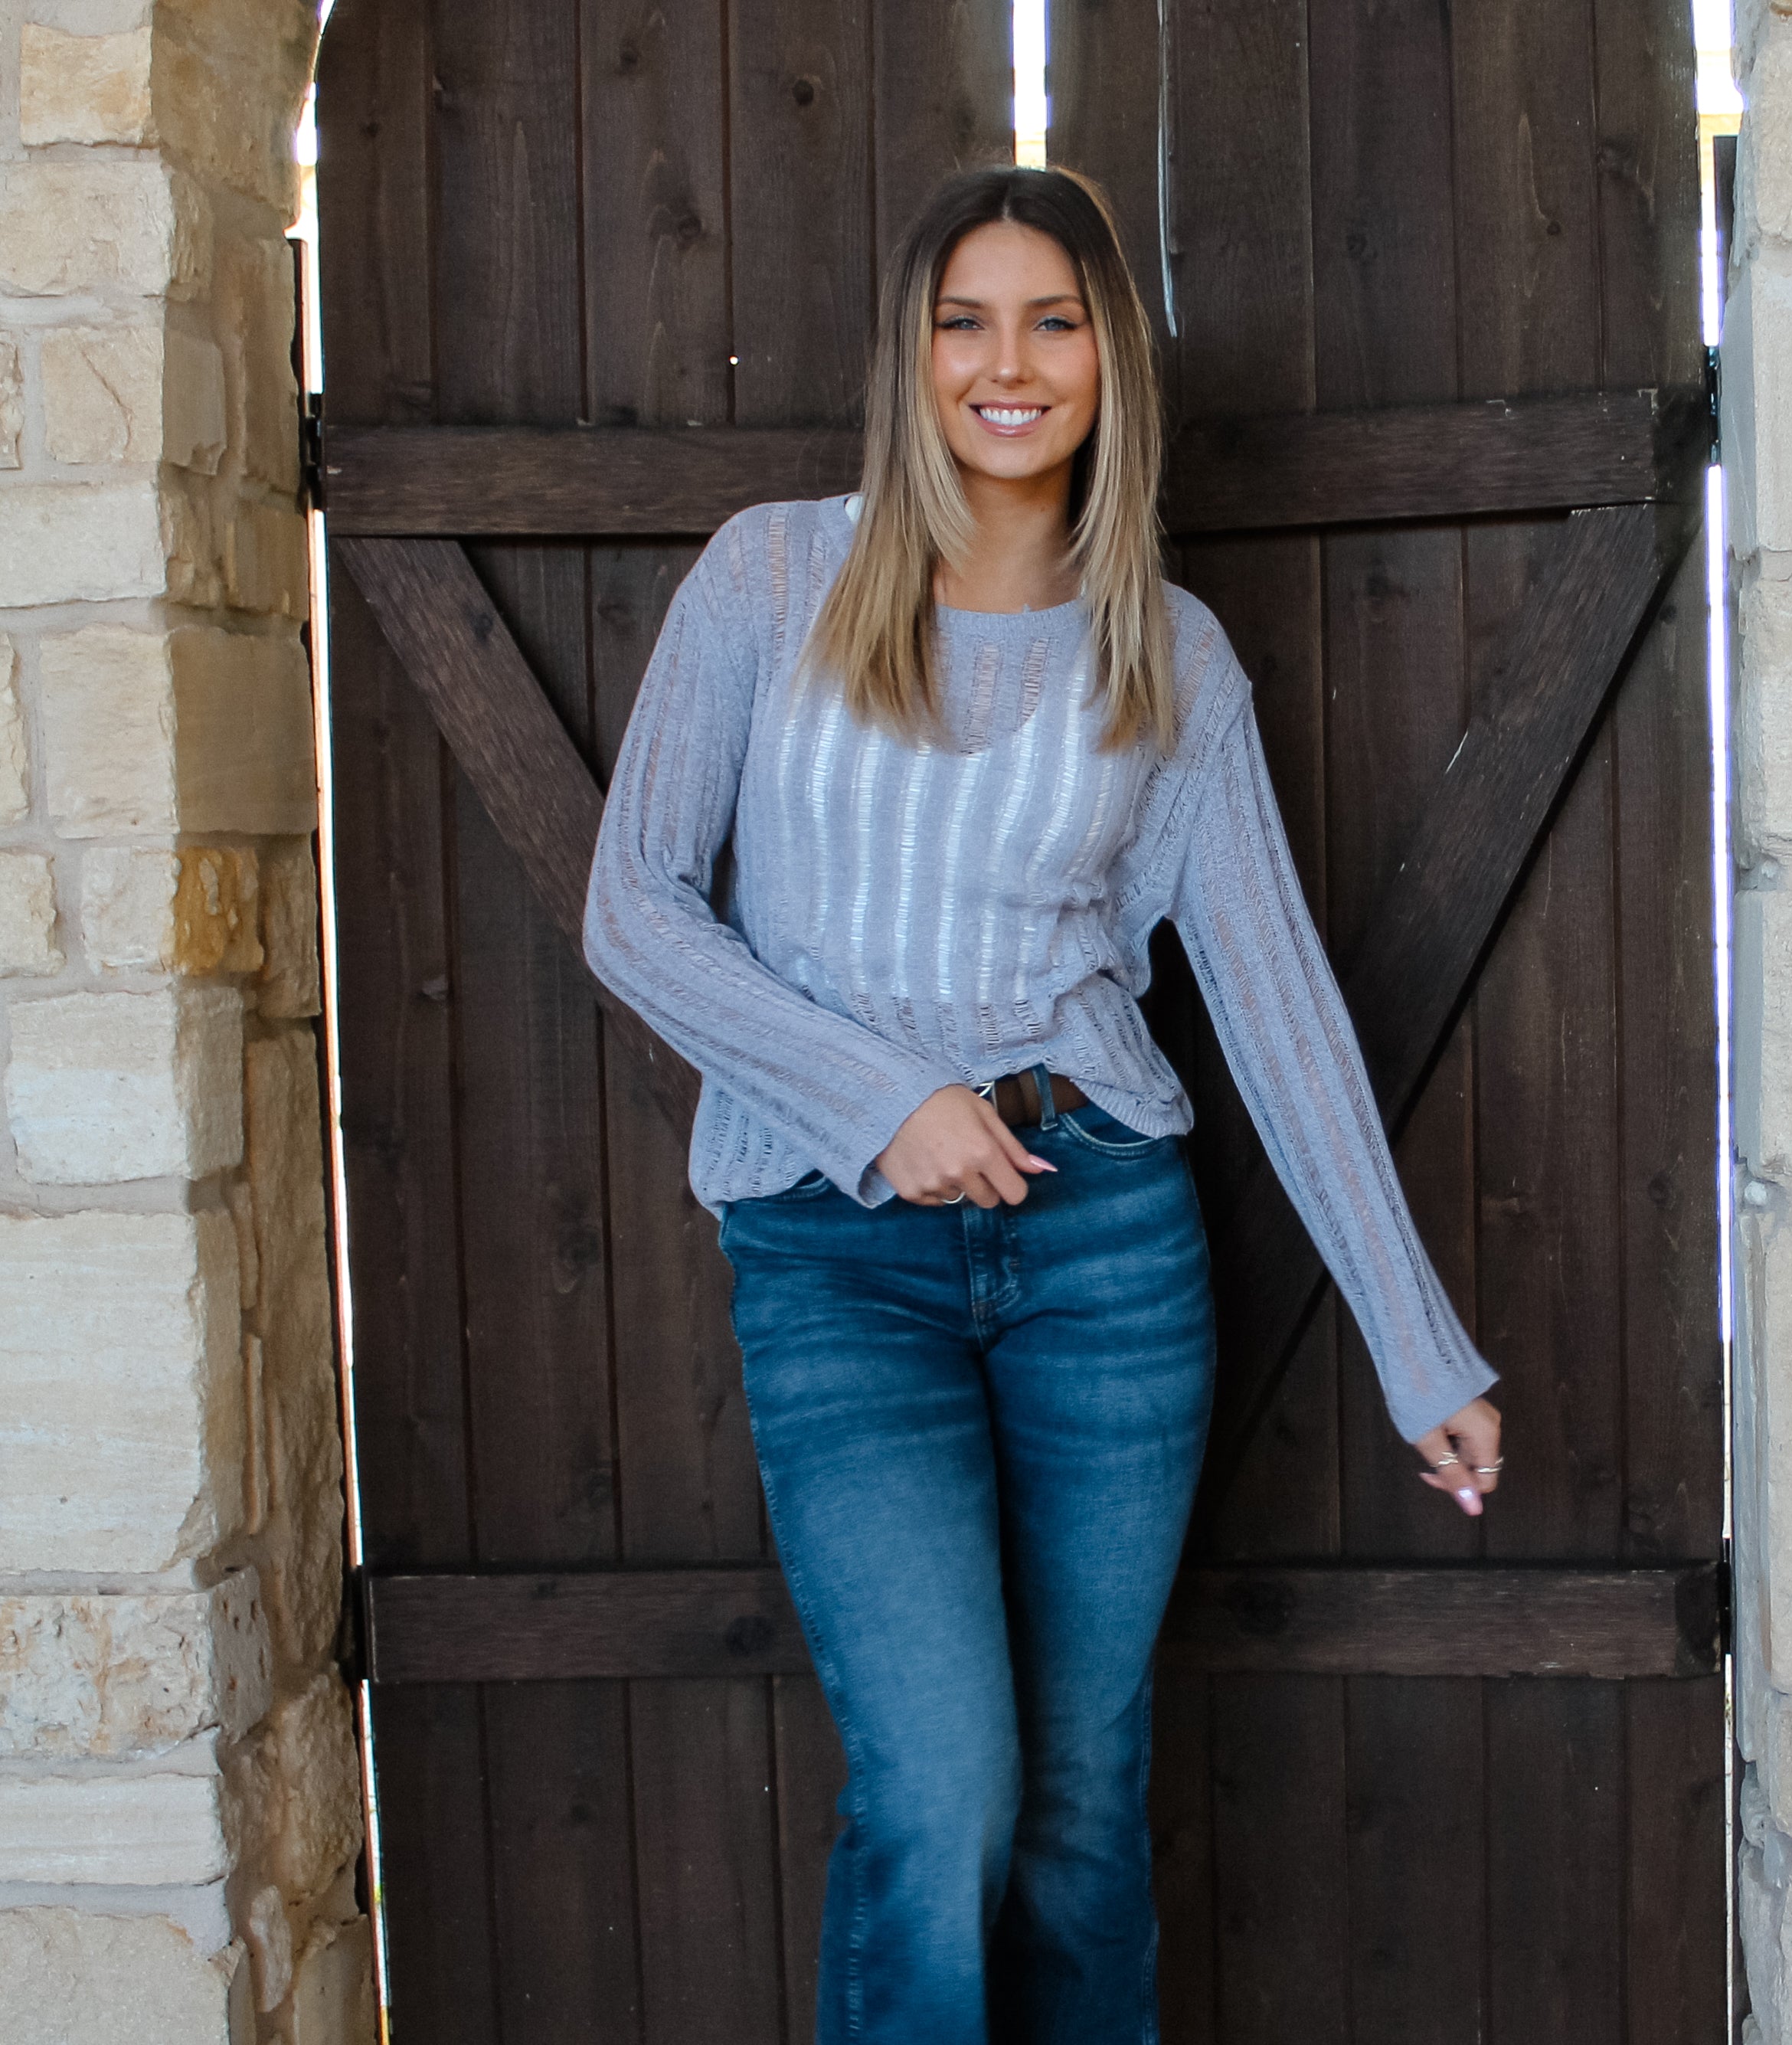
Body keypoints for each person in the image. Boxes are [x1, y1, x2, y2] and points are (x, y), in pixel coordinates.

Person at [585, 164, 1502, 2045]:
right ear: (911, 357)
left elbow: (1282, 1019)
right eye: (967, 321)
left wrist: (1422, 1349)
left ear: (1109, 362)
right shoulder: (775, 575)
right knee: (940, 1796)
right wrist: (878, 1096)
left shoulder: (1167, 655)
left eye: (1055, 321)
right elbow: (633, 913)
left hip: (1103, 1253)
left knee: (1085, 1813)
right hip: (839, 1262)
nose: (1010, 364)